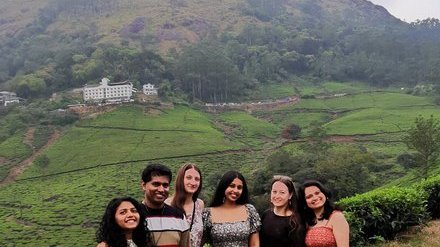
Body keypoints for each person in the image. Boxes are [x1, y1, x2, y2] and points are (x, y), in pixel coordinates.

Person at [202, 170, 261, 247]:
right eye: (232, 186)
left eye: (239, 187)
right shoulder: (208, 213)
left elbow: (254, 243)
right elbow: (199, 241)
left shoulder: (249, 210)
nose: (235, 190)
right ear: (224, 186)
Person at [141, 163, 190, 247]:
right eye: (156, 184)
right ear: (143, 185)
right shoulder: (134, 216)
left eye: (165, 185)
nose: (161, 189)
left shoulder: (179, 217)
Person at [298, 180, 349, 247]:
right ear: (304, 202)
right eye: (309, 197)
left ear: (324, 193)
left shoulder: (337, 217)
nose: (315, 198)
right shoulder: (308, 221)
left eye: (317, 193)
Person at [165, 163, 204, 247]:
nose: (193, 182)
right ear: (181, 179)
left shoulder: (200, 204)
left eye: (197, 179)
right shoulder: (167, 204)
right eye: (189, 178)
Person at [260, 175, 305, 247]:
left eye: (282, 192)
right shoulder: (266, 214)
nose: (277, 196)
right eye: (274, 192)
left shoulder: (295, 220)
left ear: (290, 195)